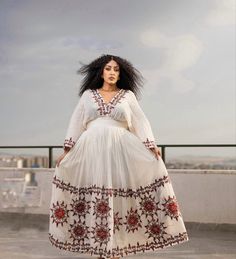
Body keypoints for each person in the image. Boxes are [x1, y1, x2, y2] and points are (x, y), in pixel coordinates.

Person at [48, 54, 189, 259]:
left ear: (120, 74)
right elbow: (76, 123)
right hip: (92, 151)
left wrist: (151, 145)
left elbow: (141, 122)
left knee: (116, 197)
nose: (112, 72)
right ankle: (100, 248)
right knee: (97, 197)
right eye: (108, 68)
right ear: (101, 72)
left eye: (116, 69)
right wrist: (67, 152)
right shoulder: (88, 95)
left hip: (120, 150)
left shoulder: (127, 96)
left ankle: (114, 249)